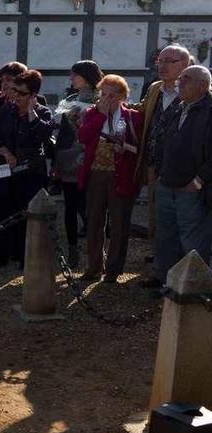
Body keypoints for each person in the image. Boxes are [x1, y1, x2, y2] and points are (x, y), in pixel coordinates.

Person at [0, 69, 54, 270]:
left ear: (32, 95)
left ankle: (25, 257)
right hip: (6, 169)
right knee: (3, 212)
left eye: (21, 93)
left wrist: (31, 112)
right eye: (14, 90)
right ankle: (2, 254)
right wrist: (5, 152)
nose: (15, 95)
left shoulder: (42, 112)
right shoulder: (5, 110)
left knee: (27, 215)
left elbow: (43, 135)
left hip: (30, 173)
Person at [77, 75, 143, 283]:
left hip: (121, 174)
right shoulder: (91, 114)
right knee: (94, 220)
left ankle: (114, 269)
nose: (105, 98)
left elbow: (140, 150)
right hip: (96, 173)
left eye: (111, 95)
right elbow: (84, 138)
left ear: (122, 96)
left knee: (119, 223)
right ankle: (94, 266)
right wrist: (100, 115)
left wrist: (124, 148)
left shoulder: (133, 117)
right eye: (103, 94)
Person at [150, 65, 212, 284]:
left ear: (203, 86)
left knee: (192, 239)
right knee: (165, 236)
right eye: (181, 78)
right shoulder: (178, 107)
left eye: (186, 79)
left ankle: (192, 286)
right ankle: (163, 279)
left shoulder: (208, 110)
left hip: (191, 187)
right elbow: (162, 140)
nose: (180, 82)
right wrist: (159, 172)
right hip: (167, 183)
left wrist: (198, 181)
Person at [135, 44, 192, 284]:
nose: (163, 65)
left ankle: (183, 270)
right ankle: (161, 261)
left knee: (184, 219)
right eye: (160, 60)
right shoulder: (155, 89)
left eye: (170, 61)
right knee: (157, 215)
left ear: (186, 65)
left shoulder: (196, 91)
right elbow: (143, 112)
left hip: (182, 170)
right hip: (153, 162)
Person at [52, 60, 102, 267]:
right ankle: (73, 249)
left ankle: (96, 253)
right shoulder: (70, 99)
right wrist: (56, 161)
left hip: (91, 160)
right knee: (70, 206)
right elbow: (62, 132)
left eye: (75, 75)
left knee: (90, 208)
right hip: (68, 160)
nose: (71, 78)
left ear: (86, 76)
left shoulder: (102, 99)